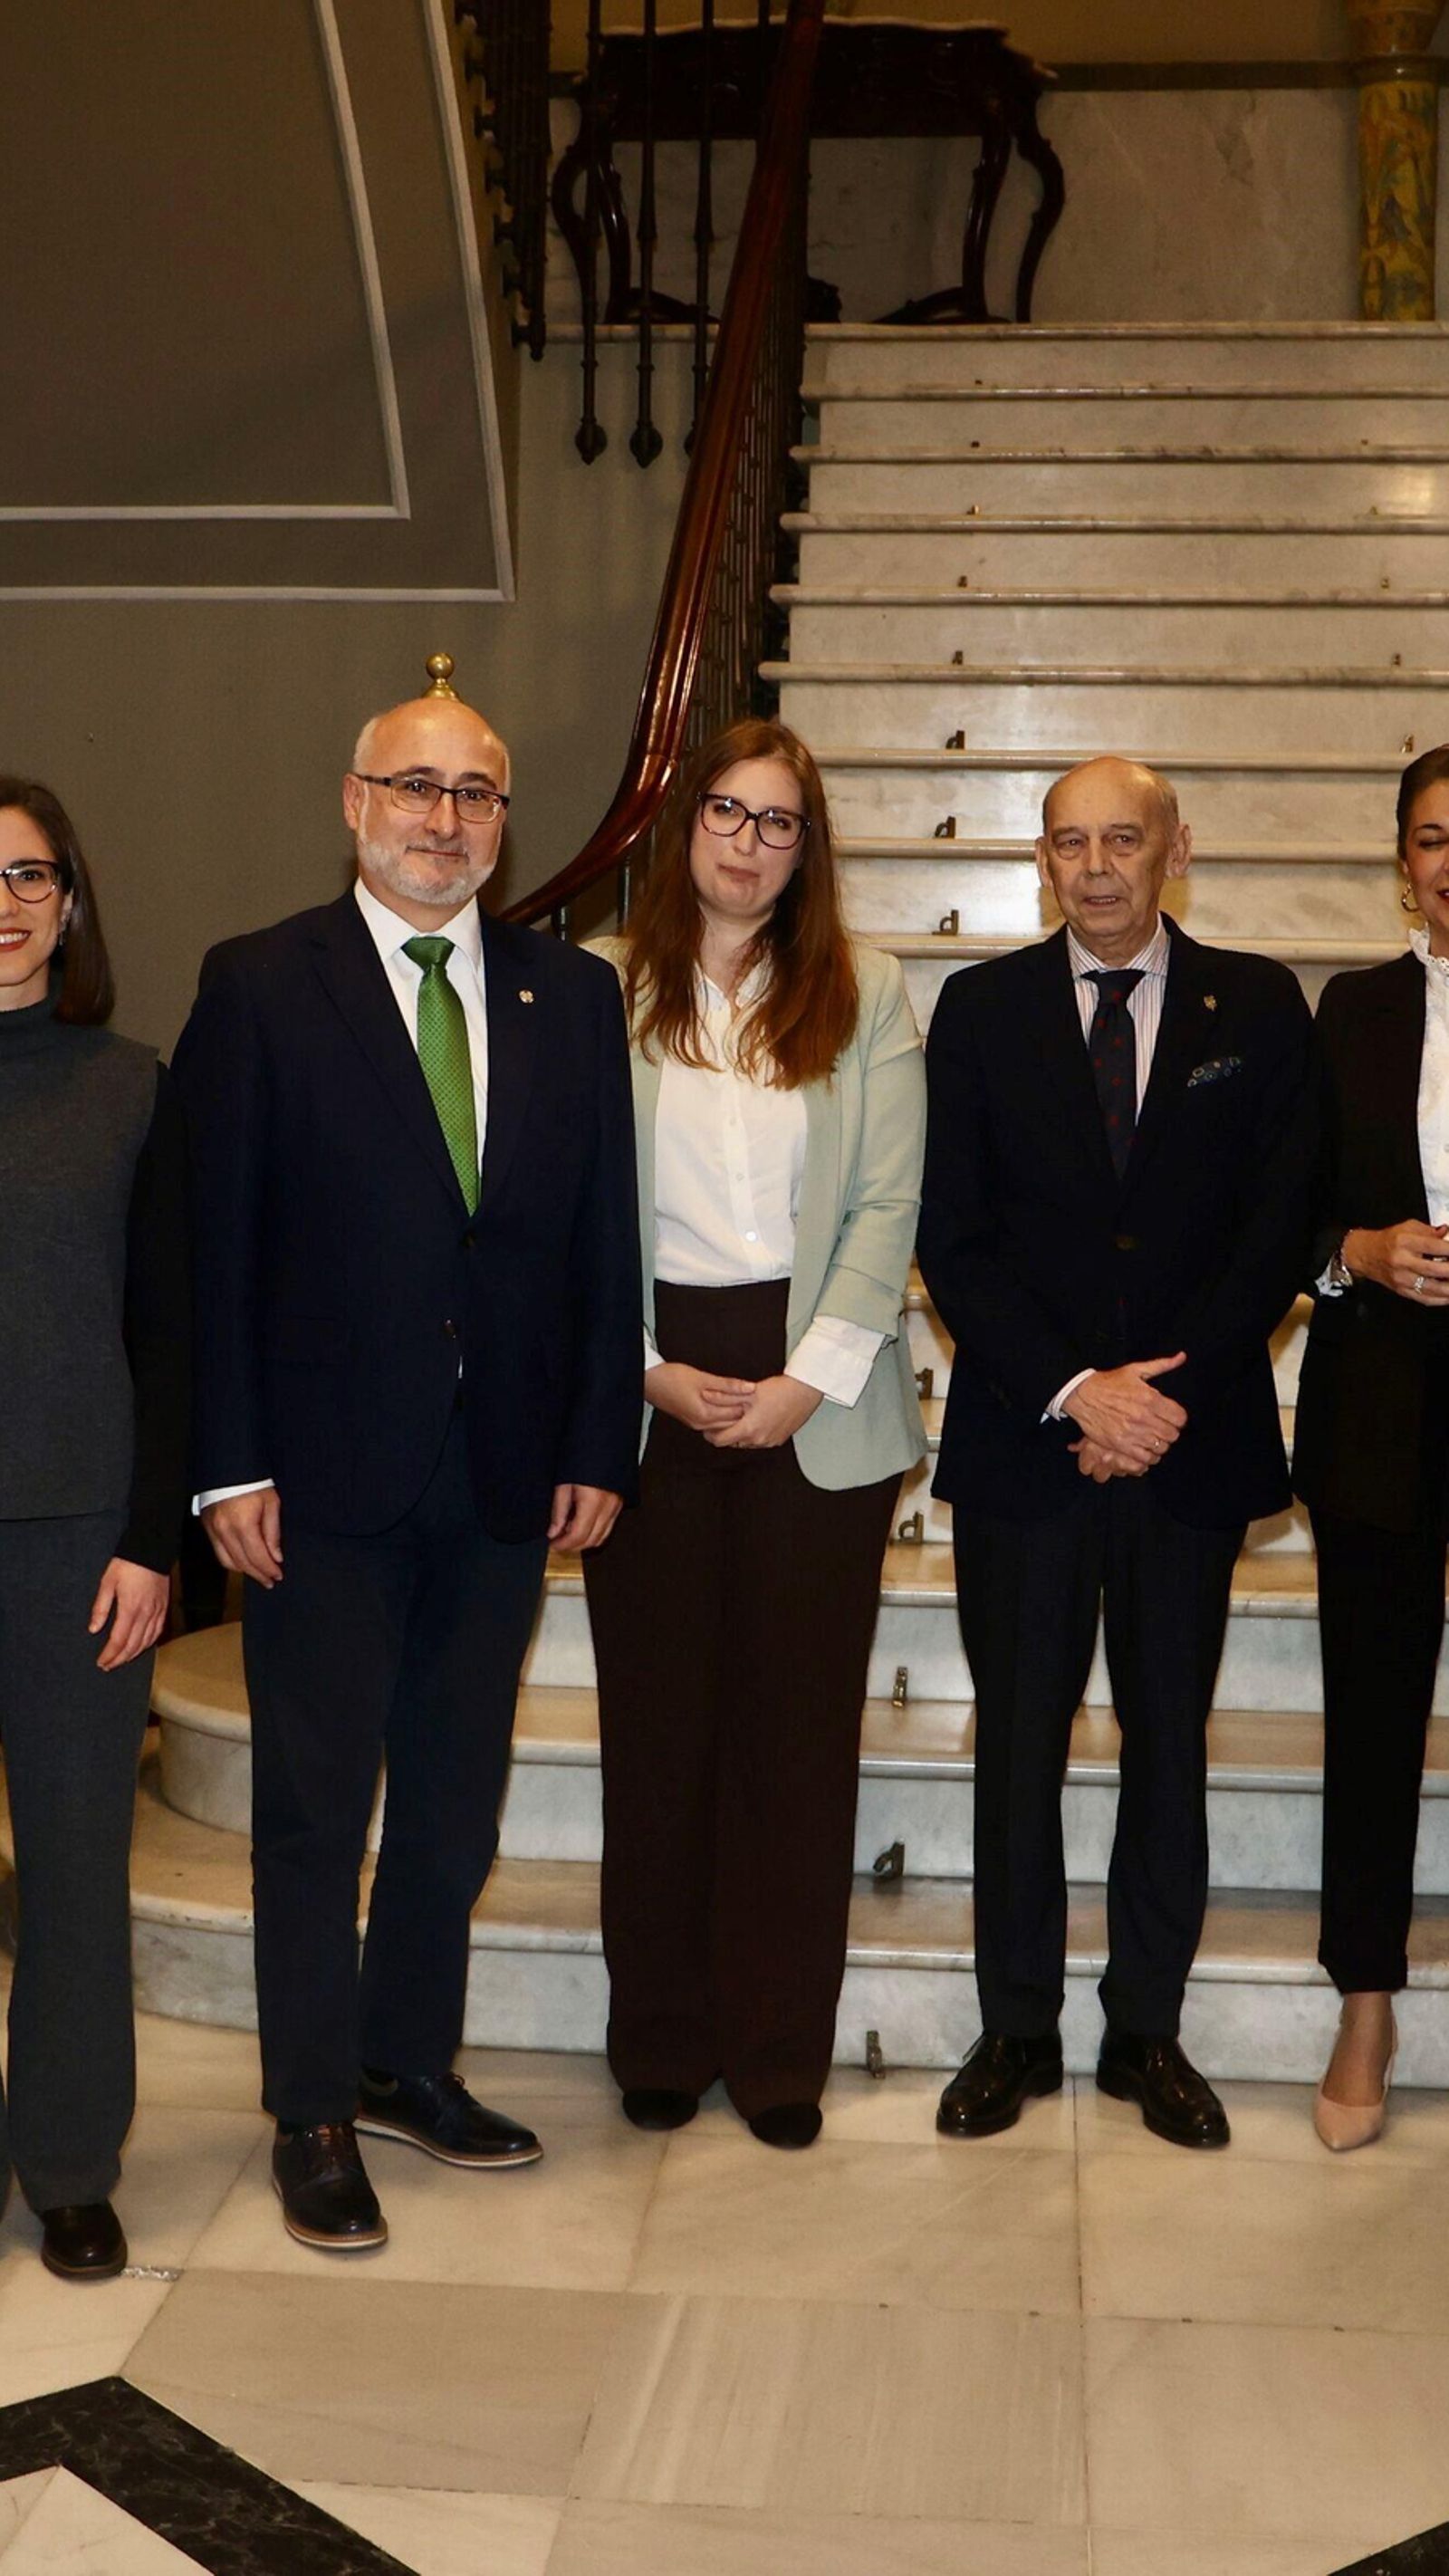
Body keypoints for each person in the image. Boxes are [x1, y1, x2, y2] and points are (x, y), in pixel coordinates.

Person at [172, 668, 639, 2250]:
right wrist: (225, 1465)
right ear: (357, 806)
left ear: (506, 827)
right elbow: (210, 1250)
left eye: (476, 796)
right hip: (318, 1476)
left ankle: (402, 2062)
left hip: (505, 1473)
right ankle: (310, 2106)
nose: (445, 821)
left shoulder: (567, 997)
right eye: (416, 790)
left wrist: (597, 1436)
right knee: (314, 1806)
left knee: (452, 1796)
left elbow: (598, 1242)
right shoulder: (257, 983)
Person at [919, 756, 1314, 2149]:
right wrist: (1081, 1392)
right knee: (1015, 1748)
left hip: (1190, 1453)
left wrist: (1160, 1403)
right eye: (1069, 842)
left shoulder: (1257, 1005)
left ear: (1175, 851)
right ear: (1042, 861)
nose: (1095, 866)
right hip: (1030, 1449)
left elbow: (1279, 1223)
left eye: (1122, 840)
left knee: (1169, 1747)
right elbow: (950, 1236)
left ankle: (1147, 2027)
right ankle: (1015, 2026)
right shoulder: (976, 1013)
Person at [584, 716, 926, 2150]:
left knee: (795, 1738)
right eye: (726, 812)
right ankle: (660, 2034)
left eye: (778, 821)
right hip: (651, 1380)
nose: (747, 841)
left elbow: (884, 1207)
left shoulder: (869, 992)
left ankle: (781, 2050)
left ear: (807, 847)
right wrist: (645, 1367)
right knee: (657, 1729)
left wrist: (804, 1381)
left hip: (818, 1392)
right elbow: (568, 1217)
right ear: (687, 828)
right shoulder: (594, 991)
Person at [0, 778, 188, 2279]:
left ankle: (68, 2162)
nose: (5, 901)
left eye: (30, 874)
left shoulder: (131, 1085)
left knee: (73, 1859)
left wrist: (149, 1541)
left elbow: (172, 1331)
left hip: (81, 1547)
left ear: (71, 904)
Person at [1293, 742, 1449, 2149]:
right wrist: (1357, 1248)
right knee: (1374, 1713)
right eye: (1433, 837)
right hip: (1379, 1402)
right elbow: (1277, 1210)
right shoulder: (1349, 1010)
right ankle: (1366, 1995)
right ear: (1402, 862)